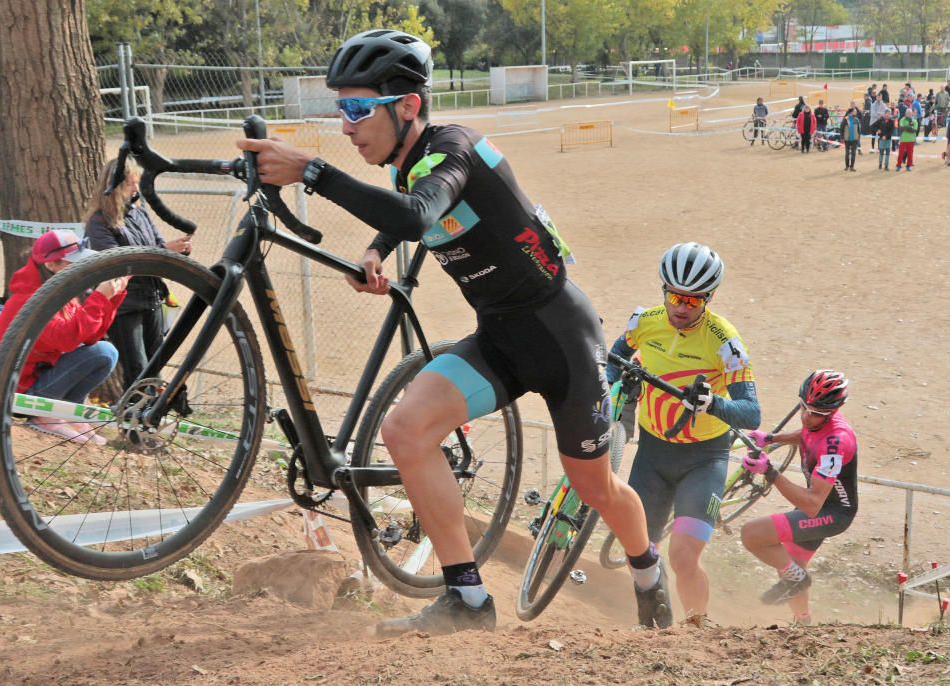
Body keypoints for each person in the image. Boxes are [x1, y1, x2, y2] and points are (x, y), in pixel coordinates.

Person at [236, 29, 671, 634]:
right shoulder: (409, 162)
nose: (346, 125)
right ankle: (467, 601)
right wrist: (376, 248)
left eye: (358, 108)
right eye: (341, 109)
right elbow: (408, 211)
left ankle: (649, 573)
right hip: (499, 339)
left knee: (594, 487)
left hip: (564, 340)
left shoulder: (454, 149)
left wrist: (311, 170)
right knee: (405, 430)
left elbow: (419, 212)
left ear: (407, 106)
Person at [606, 243, 761, 626]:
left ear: (709, 298)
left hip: (703, 459)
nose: (681, 307)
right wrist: (610, 387)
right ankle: (659, 622)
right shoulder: (643, 321)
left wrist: (714, 404)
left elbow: (752, 414)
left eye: (693, 301)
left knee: (683, 557)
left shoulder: (724, 340)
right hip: (653, 455)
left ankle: (698, 629)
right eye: (674, 296)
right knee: (638, 551)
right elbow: (612, 362)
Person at [0, 230, 127, 445]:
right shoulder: (29, 300)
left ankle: (69, 412)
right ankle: (45, 417)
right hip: (15, 392)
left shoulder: (59, 293)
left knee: (105, 352)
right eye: (74, 263)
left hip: (35, 380)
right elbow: (66, 340)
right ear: (51, 265)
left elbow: (90, 337)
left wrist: (111, 299)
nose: (82, 269)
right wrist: (99, 298)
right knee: (102, 352)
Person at [740, 370, 857, 625]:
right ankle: (803, 624)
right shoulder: (817, 421)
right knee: (792, 563)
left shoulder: (837, 442)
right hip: (821, 506)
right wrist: (772, 438)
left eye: (817, 413)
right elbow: (807, 434)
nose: (807, 416)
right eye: (804, 407)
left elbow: (812, 504)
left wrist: (769, 472)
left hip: (830, 513)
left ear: (834, 411)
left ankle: (797, 579)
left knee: (751, 534)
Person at [85, 159, 191, 391]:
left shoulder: (139, 212)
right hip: (124, 306)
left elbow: (158, 246)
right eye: (130, 184)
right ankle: (133, 426)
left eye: (137, 183)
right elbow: (117, 263)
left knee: (154, 367)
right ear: (114, 186)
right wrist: (164, 251)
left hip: (152, 299)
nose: (136, 189)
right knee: (138, 370)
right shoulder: (99, 222)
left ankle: (150, 421)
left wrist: (179, 251)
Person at [896, 106, 919, 171]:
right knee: (900, 154)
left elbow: (914, 130)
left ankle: (908, 166)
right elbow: (901, 128)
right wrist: (910, 128)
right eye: (907, 113)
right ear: (905, 113)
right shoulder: (902, 120)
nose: (909, 114)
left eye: (910, 113)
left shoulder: (915, 121)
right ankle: (898, 165)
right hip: (903, 140)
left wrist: (907, 128)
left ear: (912, 114)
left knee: (910, 154)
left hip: (911, 140)